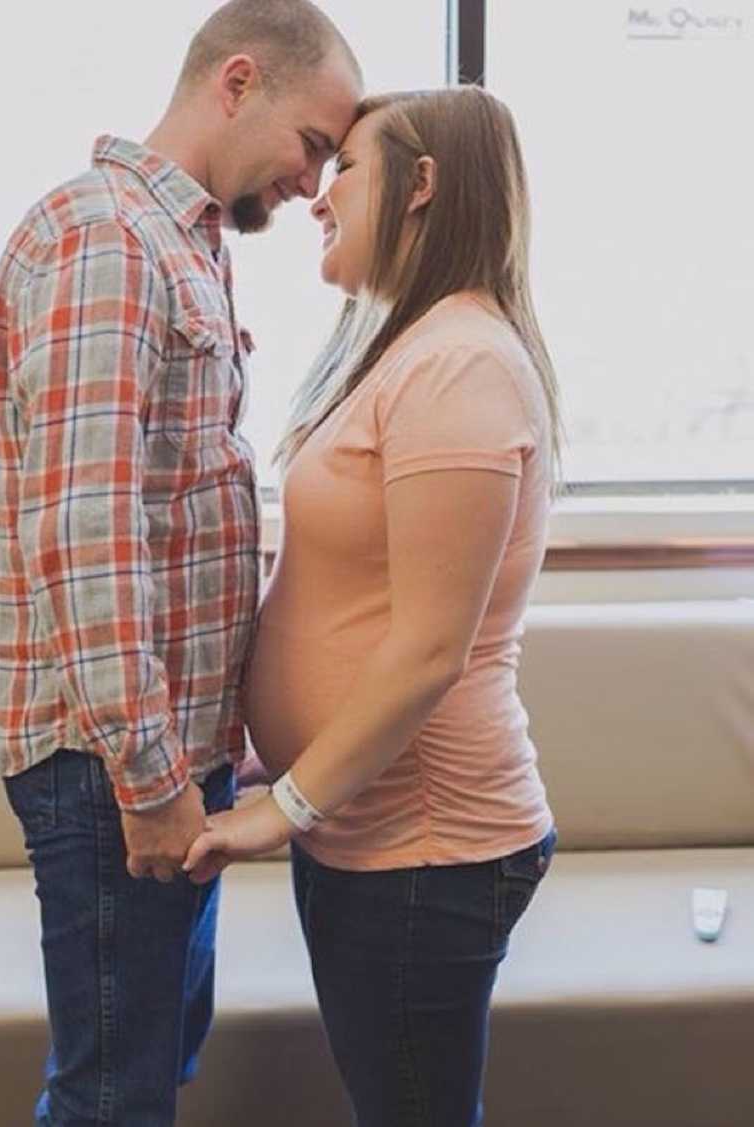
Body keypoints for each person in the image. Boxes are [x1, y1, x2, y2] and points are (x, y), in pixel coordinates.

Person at [0, 2, 362, 1123]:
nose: (314, 183)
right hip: (113, 773)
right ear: (238, 82)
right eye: (313, 144)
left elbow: (175, 512)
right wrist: (152, 778)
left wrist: (209, 748)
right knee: (112, 1095)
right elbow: (88, 532)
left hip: (160, 758)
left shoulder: (181, 245)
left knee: (149, 1070)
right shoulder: (107, 238)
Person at [184, 86, 562, 1127]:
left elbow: (430, 648)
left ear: (422, 186)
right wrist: (278, 756)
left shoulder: (460, 364)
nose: (316, 194)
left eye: (343, 166)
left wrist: (286, 803)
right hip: (369, 831)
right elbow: (342, 592)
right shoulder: (404, 347)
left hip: (425, 846)